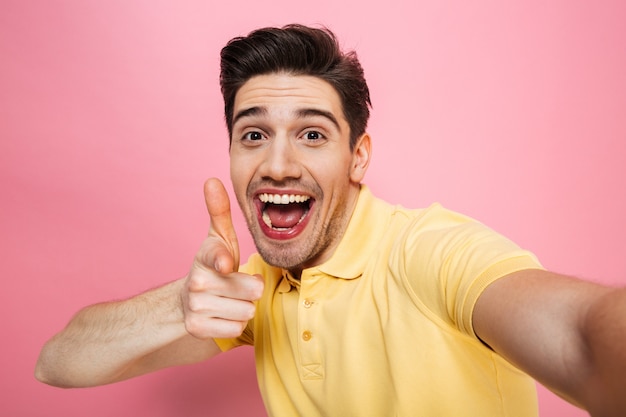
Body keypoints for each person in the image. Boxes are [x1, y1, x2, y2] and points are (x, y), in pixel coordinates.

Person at [35, 24, 626, 416]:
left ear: (358, 157)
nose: (278, 165)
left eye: (312, 134)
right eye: (254, 134)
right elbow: (58, 363)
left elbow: (583, 338)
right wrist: (179, 305)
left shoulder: (430, 252)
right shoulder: (252, 289)